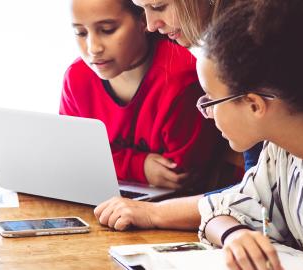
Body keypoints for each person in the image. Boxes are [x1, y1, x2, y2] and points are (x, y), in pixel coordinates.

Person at [94, 0, 260, 231]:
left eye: (159, 6)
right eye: (143, 9)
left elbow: (254, 195)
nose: (151, 25)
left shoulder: (256, 44)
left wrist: (155, 213)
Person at [196, 0, 303, 269]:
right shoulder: (282, 154)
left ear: (254, 104)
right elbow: (219, 210)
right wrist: (235, 235)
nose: (208, 113)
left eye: (211, 101)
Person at [60, 0, 219, 190]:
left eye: (108, 29)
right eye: (81, 33)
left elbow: (179, 174)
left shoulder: (180, 78)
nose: (93, 48)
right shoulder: (76, 77)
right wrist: (138, 166)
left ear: (142, 20)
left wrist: (103, 161)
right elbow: (71, 156)